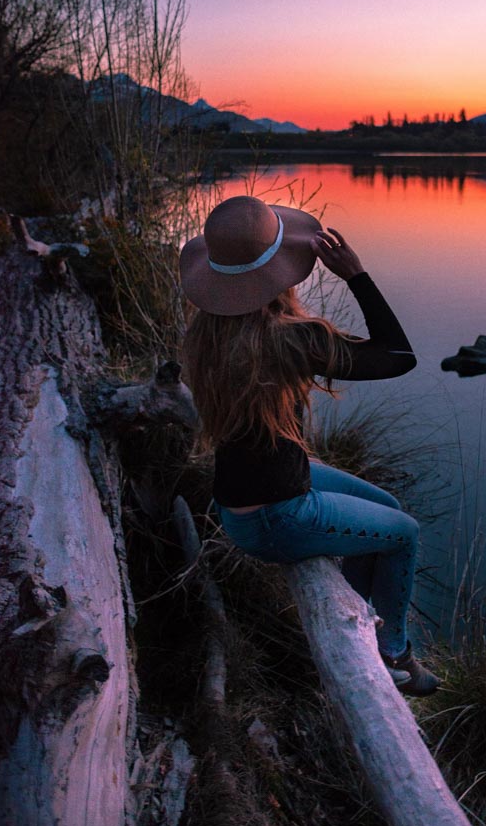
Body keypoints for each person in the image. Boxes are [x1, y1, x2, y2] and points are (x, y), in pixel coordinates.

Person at [179, 195, 439, 695]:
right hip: (278, 516)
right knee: (403, 532)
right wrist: (356, 275)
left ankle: (365, 622)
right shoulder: (287, 339)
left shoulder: (207, 330)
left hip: (244, 502)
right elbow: (398, 356)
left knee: (384, 505)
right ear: (279, 272)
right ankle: (396, 654)